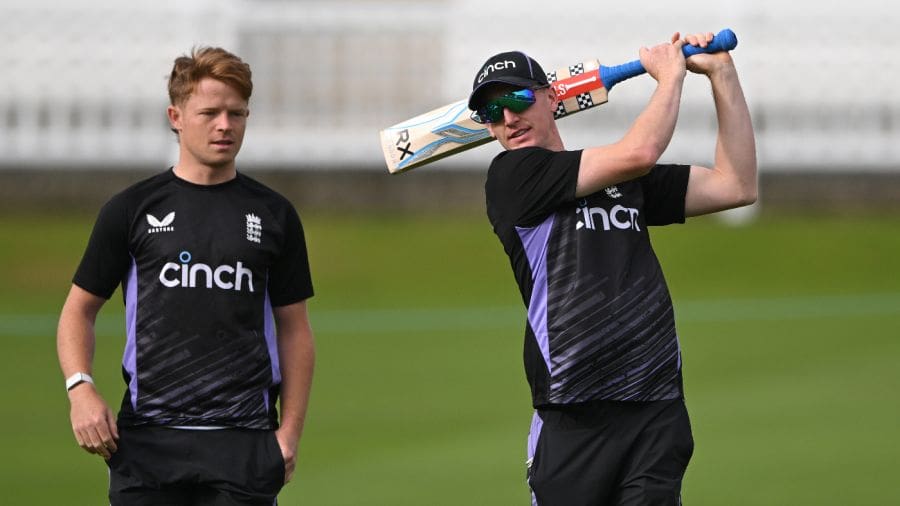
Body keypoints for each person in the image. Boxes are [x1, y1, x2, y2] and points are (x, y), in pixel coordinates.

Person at [467, 31, 757, 504]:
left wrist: (723, 75)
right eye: (491, 112)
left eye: (518, 98)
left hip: (655, 407)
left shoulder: (624, 183)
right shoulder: (511, 179)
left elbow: (735, 185)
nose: (508, 118)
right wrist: (670, 78)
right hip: (573, 416)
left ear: (551, 97)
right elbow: (639, 152)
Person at [56, 46, 315, 505]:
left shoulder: (274, 214)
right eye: (210, 112)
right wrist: (81, 388)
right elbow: (79, 311)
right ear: (175, 115)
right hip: (147, 442)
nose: (225, 125)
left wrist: (289, 434)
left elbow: (295, 330)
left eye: (237, 114)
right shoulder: (131, 210)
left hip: (245, 442)